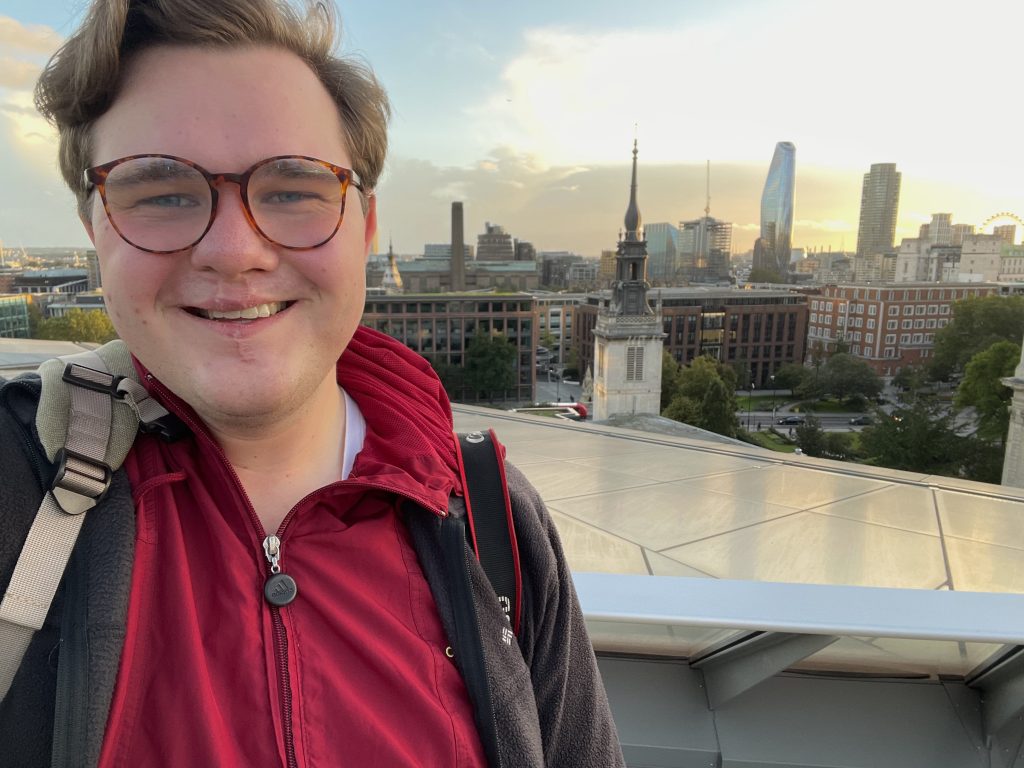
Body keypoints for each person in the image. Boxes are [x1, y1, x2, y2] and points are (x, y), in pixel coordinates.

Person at [0, 1, 624, 766]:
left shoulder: (494, 517)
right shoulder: (13, 488)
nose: (234, 251)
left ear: (362, 226)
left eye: (293, 189)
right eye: (159, 192)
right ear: (97, 231)